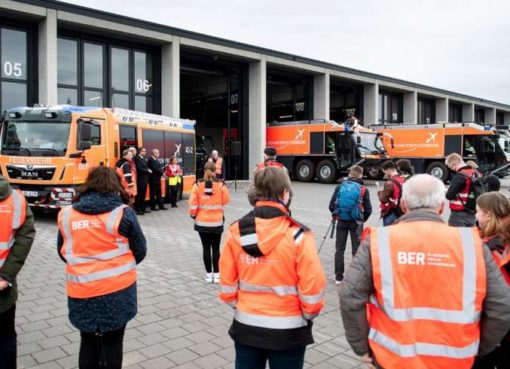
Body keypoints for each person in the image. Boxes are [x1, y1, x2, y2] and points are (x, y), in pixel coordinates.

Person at [339, 174, 510, 369]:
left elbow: (350, 296)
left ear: (403, 205)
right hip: (455, 360)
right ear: (441, 207)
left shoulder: (378, 242)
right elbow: (501, 305)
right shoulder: (472, 244)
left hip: (393, 359)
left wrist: (363, 348)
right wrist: (478, 347)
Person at [219, 167, 326, 369]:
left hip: (246, 327)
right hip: (289, 331)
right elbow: (313, 289)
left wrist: (242, 306)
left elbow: (226, 284)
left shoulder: (236, 231)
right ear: (285, 193)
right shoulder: (299, 235)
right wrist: (307, 315)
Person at [57, 166, 147, 369]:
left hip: (82, 292)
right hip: (118, 293)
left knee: (87, 341)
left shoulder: (66, 215)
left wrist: (86, 267)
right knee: (114, 342)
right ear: (115, 185)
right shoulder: (123, 213)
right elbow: (140, 250)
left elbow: (62, 251)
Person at [0, 176, 35, 369]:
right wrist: (6, 275)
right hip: (3, 286)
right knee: (5, 337)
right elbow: (26, 235)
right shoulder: (16, 199)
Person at [472, 192, 510, 369]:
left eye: (478, 212)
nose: (475, 216)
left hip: (498, 331)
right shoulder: (501, 240)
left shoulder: (493, 250)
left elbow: (496, 300)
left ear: (488, 214)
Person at [328, 165, 372, 285]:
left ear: (350, 174)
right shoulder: (363, 189)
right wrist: (362, 219)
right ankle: (355, 278)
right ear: (360, 175)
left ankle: (338, 277)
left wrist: (336, 215)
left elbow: (331, 205)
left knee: (339, 250)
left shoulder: (340, 187)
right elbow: (369, 209)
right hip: (356, 223)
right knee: (356, 250)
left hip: (341, 221)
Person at [189, 162, 230, 283]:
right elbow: (226, 201)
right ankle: (217, 275)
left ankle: (208, 274)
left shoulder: (197, 185)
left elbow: (192, 203)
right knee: (216, 248)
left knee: (206, 247)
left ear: (204, 170)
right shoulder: (221, 185)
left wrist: (193, 215)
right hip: (216, 221)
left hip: (202, 221)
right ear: (214, 171)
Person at [445, 153, 480, 227]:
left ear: (453, 164)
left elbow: (449, 195)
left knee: (456, 237)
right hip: (473, 212)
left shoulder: (459, 176)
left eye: (450, 166)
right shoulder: (476, 173)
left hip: (459, 214)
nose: (450, 168)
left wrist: (446, 190)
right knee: (468, 237)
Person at [378, 161, 405, 226]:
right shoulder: (404, 179)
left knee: (385, 234)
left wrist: (379, 192)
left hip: (391, 211)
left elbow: (383, 199)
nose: (384, 174)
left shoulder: (389, 182)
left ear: (388, 170)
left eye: (384, 171)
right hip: (402, 211)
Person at [133, 147, 151, 215]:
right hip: (140, 180)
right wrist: (147, 170)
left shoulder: (143, 158)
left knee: (143, 194)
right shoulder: (137, 159)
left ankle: (143, 208)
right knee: (140, 195)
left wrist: (147, 169)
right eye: (144, 151)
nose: (145, 152)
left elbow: (145, 166)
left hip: (145, 179)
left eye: (145, 151)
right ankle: (138, 209)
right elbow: (139, 168)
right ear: (139, 152)